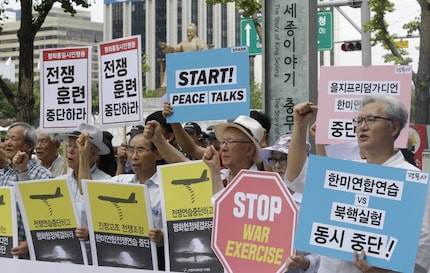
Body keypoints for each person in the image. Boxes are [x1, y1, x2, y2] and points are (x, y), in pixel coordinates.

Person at [286, 96, 430, 273]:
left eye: (371, 119)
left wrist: (380, 271)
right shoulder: (347, 172)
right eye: (359, 120)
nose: (362, 126)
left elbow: (421, 250)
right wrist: (300, 127)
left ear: (394, 127)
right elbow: (296, 178)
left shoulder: (412, 180)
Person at [259, 134, 319, 273]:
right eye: (273, 159)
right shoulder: (264, 198)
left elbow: (325, 257)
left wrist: (304, 263)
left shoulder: (314, 203)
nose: (277, 165)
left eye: (284, 159)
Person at [111, 129, 169, 270]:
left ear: (157, 154)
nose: (134, 157)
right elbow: (87, 190)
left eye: (141, 150)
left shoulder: (167, 187)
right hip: (126, 257)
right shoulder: (122, 182)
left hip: (158, 259)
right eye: (131, 150)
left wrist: (162, 236)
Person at [58, 123, 112, 260]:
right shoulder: (60, 182)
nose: (70, 151)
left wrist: (93, 232)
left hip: (94, 258)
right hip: (63, 255)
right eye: (69, 146)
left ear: (93, 153)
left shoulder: (107, 182)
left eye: (76, 147)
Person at [0, 122, 54, 258]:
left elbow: (50, 219)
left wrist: (31, 244)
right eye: (6, 139)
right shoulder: (3, 174)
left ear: (29, 146)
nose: (8, 143)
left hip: (26, 257)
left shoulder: (44, 176)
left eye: (14, 139)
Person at [202, 115, 264, 195]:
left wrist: (215, 173)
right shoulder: (219, 175)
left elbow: (223, 206)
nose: (223, 148)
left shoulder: (261, 185)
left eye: (230, 142)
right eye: (222, 142)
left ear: (249, 149)